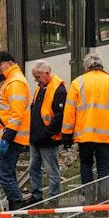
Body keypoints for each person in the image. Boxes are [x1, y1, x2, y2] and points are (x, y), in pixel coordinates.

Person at [66, 51, 109, 204]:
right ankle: (104, 201)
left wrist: (66, 134)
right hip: (106, 136)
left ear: (86, 66)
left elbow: (69, 111)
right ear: (102, 66)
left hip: (85, 136)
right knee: (104, 168)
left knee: (86, 165)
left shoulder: (77, 83)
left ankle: (89, 199)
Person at [0, 50, 32, 209]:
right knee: (8, 174)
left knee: (5, 175)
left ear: (9, 64)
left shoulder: (15, 83)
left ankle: (18, 207)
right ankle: (17, 208)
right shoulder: (11, 81)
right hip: (12, 136)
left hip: (12, 137)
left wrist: (6, 138)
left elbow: (16, 114)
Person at [28, 61, 68, 203]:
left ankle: (53, 198)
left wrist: (47, 133)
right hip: (36, 138)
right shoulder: (42, 87)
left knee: (51, 171)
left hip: (48, 139)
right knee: (34, 168)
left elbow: (59, 117)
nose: (36, 80)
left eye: (37, 77)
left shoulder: (59, 90)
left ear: (46, 73)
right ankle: (36, 196)